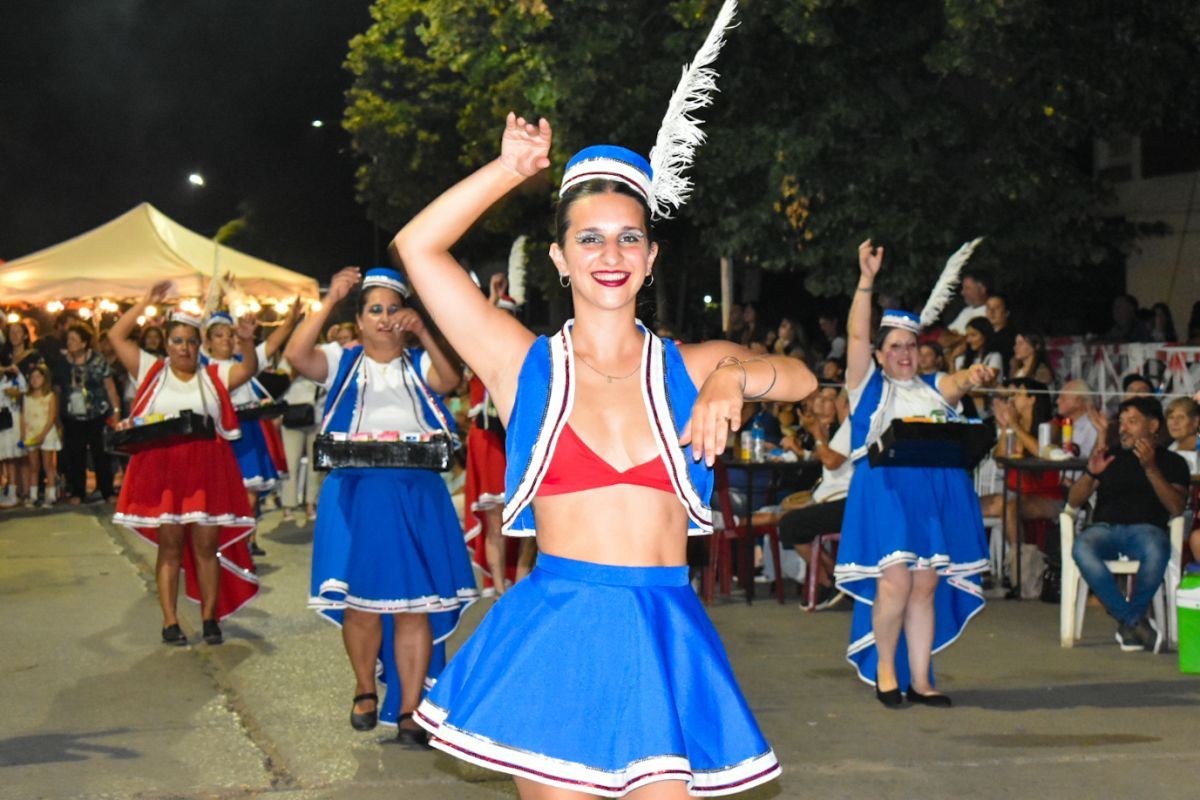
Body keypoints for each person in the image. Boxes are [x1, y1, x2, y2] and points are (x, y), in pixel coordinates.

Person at [393, 112, 814, 796]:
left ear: (650, 258)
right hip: (559, 630)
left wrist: (734, 378)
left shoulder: (692, 365)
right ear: (560, 258)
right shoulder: (520, 365)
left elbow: (800, 377)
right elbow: (418, 248)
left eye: (628, 239)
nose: (609, 255)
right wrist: (509, 171)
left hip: (666, 628)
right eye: (588, 239)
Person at [284, 267, 477, 745]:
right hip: (356, 492)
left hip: (416, 493)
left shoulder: (418, 365)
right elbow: (294, 354)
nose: (386, 319)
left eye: (394, 309)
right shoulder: (340, 360)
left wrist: (424, 331)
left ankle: (411, 708)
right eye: (375, 310)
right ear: (361, 318)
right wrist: (330, 300)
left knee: (413, 607)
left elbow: (450, 379)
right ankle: (364, 687)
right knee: (361, 603)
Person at [834, 240, 994, 709]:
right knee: (896, 580)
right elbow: (857, 336)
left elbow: (960, 382)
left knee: (926, 583)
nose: (905, 353)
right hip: (886, 489)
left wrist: (976, 375)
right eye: (896, 347)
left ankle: (922, 679)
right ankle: (887, 668)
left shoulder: (934, 388)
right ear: (881, 354)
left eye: (912, 346)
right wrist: (866, 280)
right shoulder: (866, 384)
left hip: (932, 491)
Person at [109, 282, 260, 646]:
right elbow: (116, 335)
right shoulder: (149, 368)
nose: (184, 348)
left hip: (206, 471)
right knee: (171, 547)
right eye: (177, 341)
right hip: (164, 471)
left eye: (191, 342)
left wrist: (247, 341)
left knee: (207, 546)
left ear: (200, 346)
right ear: (166, 343)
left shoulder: (214, 375)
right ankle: (170, 621)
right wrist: (145, 301)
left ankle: (210, 619)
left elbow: (249, 369)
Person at [1067, 397, 1188, 652]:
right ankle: (1134, 620)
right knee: (1081, 549)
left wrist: (1151, 468)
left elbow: (1176, 507)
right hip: (1104, 530)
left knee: (1157, 549)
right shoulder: (1109, 456)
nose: (1123, 428)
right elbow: (1074, 500)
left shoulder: (1173, 462)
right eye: (1121, 422)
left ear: (1154, 425)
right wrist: (1091, 473)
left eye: (1132, 422)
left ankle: (1129, 624)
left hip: (1146, 531)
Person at [464, 273, 533, 595]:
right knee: (496, 522)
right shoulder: (476, 355)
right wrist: (492, 298)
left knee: (531, 520)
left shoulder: (530, 355)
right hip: (488, 442)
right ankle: (500, 592)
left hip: (521, 443)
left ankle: (521, 581)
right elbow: (475, 327)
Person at [778, 404, 852, 609]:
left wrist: (819, 437)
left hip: (846, 500)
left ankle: (828, 581)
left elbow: (830, 461)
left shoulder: (855, 424)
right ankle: (834, 577)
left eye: (832, 399)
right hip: (832, 497)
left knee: (790, 524)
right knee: (786, 516)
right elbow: (822, 456)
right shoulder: (843, 426)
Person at [60, 323, 120, 503]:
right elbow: (57, 389)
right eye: (68, 339)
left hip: (97, 414)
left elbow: (110, 387)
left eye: (74, 339)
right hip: (72, 415)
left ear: (84, 343)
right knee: (76, 453)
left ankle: (107, 491)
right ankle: (78, 491)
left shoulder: (97, 360)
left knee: (100, 453)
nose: (70, 343)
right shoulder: (63, 362)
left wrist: (116, 411)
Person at [21, 364, 60, 506]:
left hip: (46, 433)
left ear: (45, 378)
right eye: (32, 377)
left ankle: (50, 494)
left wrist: (43, 434)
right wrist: (23, 434)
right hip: (31, 433)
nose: (35, 380)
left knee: (48, 465)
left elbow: (51, 417)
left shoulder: (50, 396)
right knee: (33, 466)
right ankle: (33, 495)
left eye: (38, 376)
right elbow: (24, 416)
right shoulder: (26, 396)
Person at [0, 363, 27, 507]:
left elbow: (24, 389)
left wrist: (17, 372)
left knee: (10, 459)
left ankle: (12, 494)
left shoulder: (12, 382)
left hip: (10, 422)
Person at [1165, 396, 1199, 474]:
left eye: (1181, 418)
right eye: (1171, 417)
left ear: (1195, 422)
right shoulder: (1171, 448)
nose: (1174, 423)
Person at [984, 293, 1016, 368]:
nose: (991, 312)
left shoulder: (1012, 337)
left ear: (1007, 312)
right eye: (988, 308)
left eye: (997, 308)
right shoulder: (984, 335)